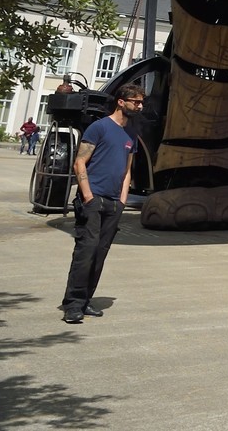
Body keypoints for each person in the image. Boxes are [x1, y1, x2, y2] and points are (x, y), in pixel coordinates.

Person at [61, 85, 145, 324]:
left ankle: (86, 301)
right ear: (121, 102)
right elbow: (80, 162)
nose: (139, 106)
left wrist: (122, 201)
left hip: (113, 203)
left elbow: (127, 170)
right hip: (93, 199)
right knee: (85, 253)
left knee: (100, 254)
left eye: (141, 102)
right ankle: (73, 305)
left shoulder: (131, 134)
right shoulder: (99, 127)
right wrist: (88, 196)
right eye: (135, 101)